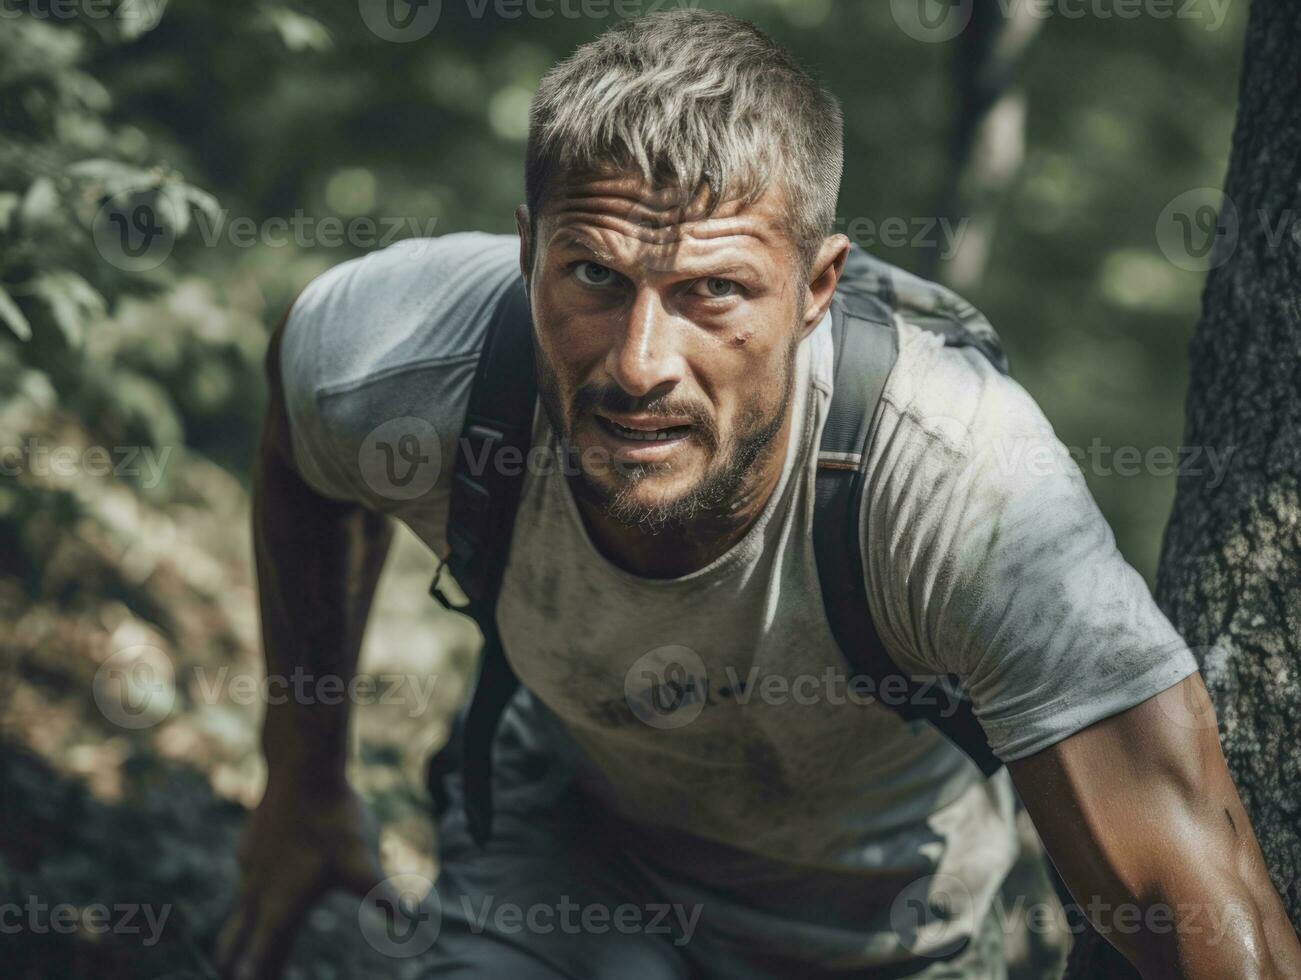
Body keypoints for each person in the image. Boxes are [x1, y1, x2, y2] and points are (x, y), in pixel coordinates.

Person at [215, 10, 1301, 979]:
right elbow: (304, 447)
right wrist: (301, 783)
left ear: (816, 287)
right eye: (592, 274)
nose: (640, 361)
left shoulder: (956, 479)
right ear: (526, 249)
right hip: (568, 864)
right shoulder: (401, 357)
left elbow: (1190, 889)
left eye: (713, 291)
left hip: (892, 928)